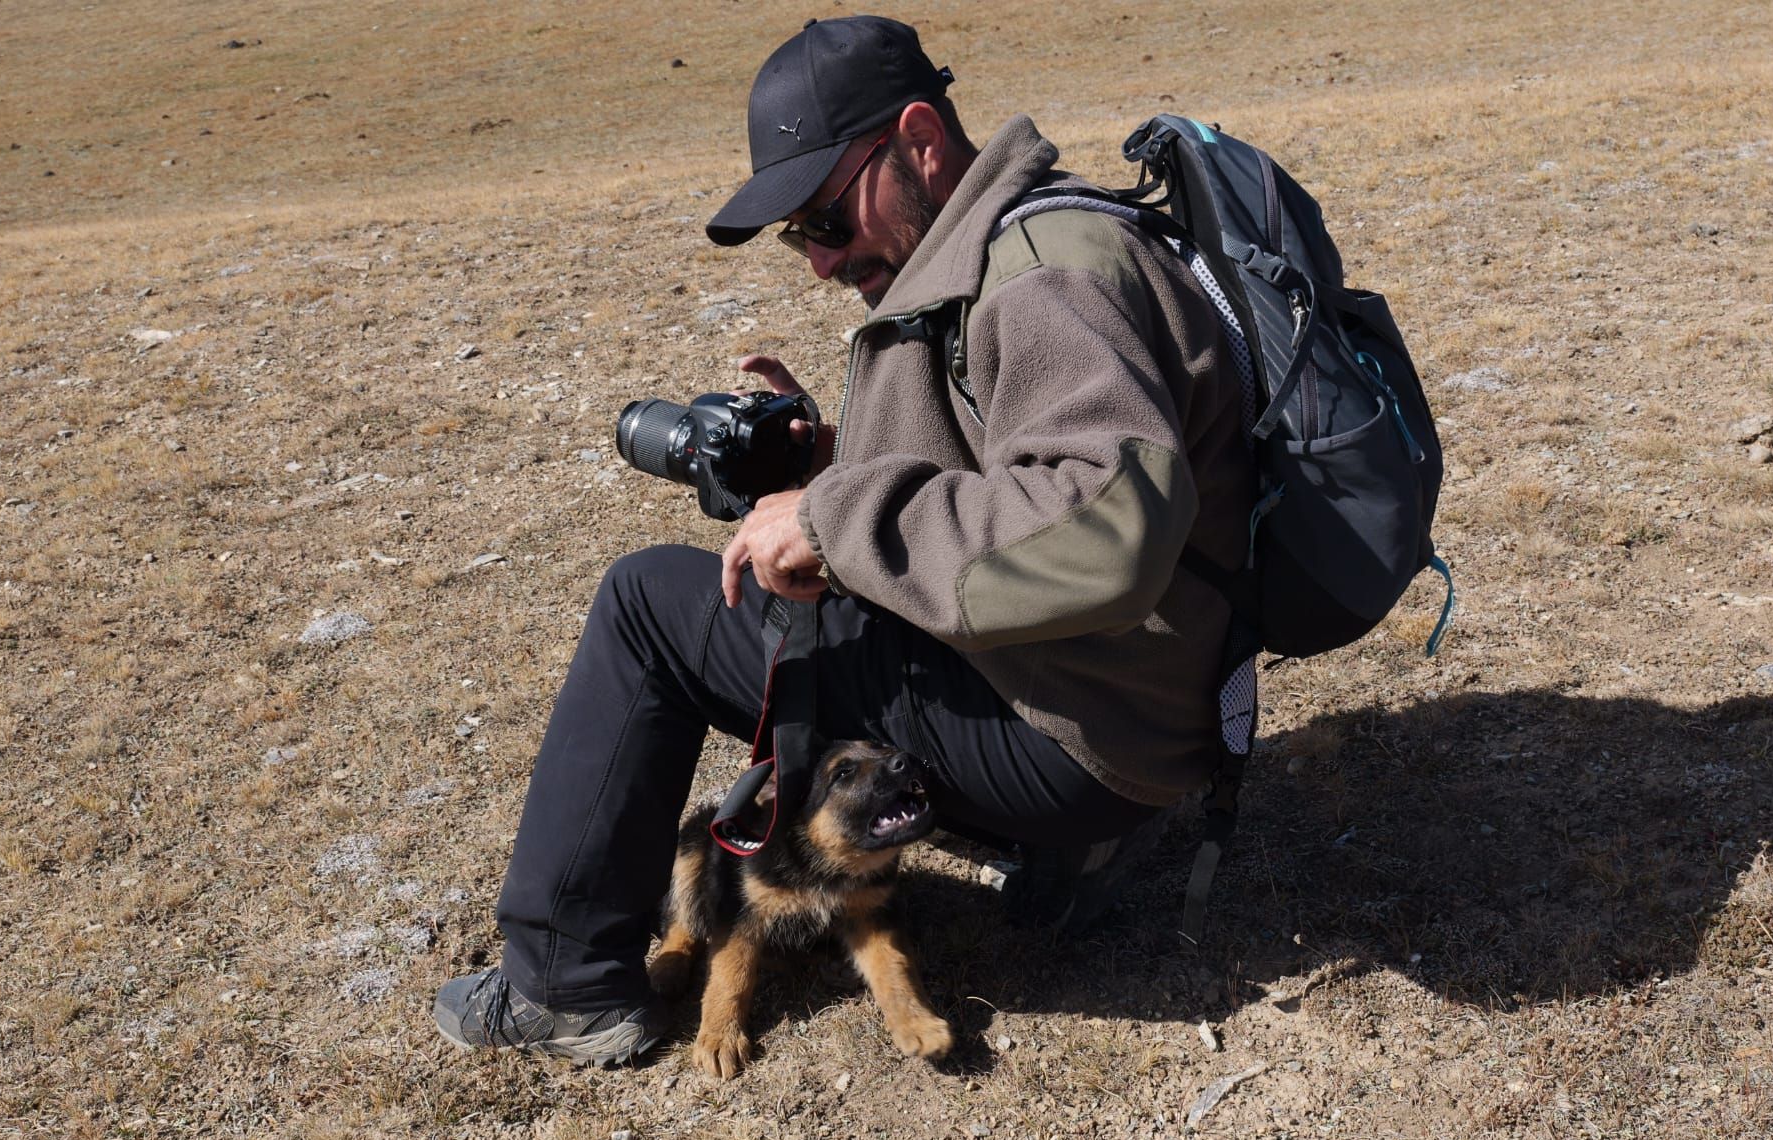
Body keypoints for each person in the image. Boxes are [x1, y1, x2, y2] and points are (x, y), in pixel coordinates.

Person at [434, 15, 1253, 1065]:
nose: (820, 261)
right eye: (798, 236)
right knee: (799, 609)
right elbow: (1001, 459)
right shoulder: (1000, 241)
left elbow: (1104, 524)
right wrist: (828, 459)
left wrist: (830, 518)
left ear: (918, 139)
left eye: (827, 215)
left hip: (1079, 731)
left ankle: (561, 986)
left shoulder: (1043, 275)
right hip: (1123, 695)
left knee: (647, 604)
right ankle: (1052, 842)